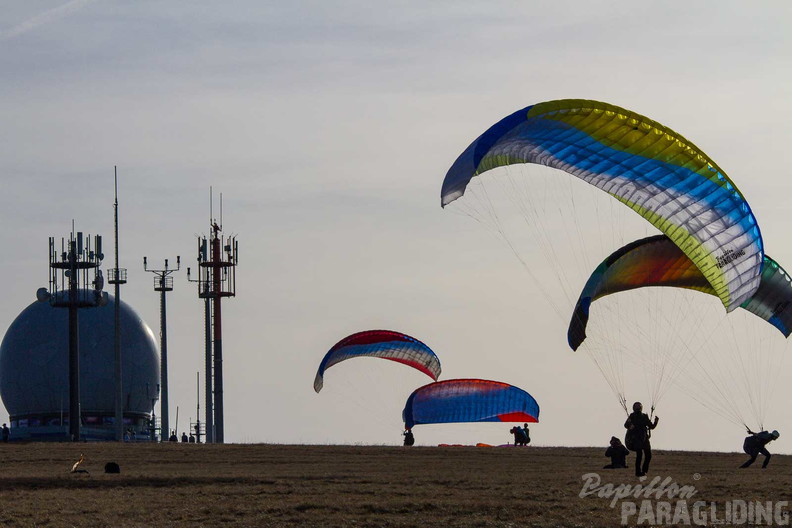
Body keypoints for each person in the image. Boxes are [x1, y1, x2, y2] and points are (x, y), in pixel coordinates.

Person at [624, 402, 659, 477]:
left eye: (638, 407)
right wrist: (630, 427)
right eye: (636, 407)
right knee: (640, 455)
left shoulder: (644, 416)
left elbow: (651, 426)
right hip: (636, 439)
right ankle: (639, 472)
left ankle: (643, 471)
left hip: (644, 438)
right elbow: (626, 425)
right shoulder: (632, 416)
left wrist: (656, 422)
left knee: (648, 455)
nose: (637, 409)